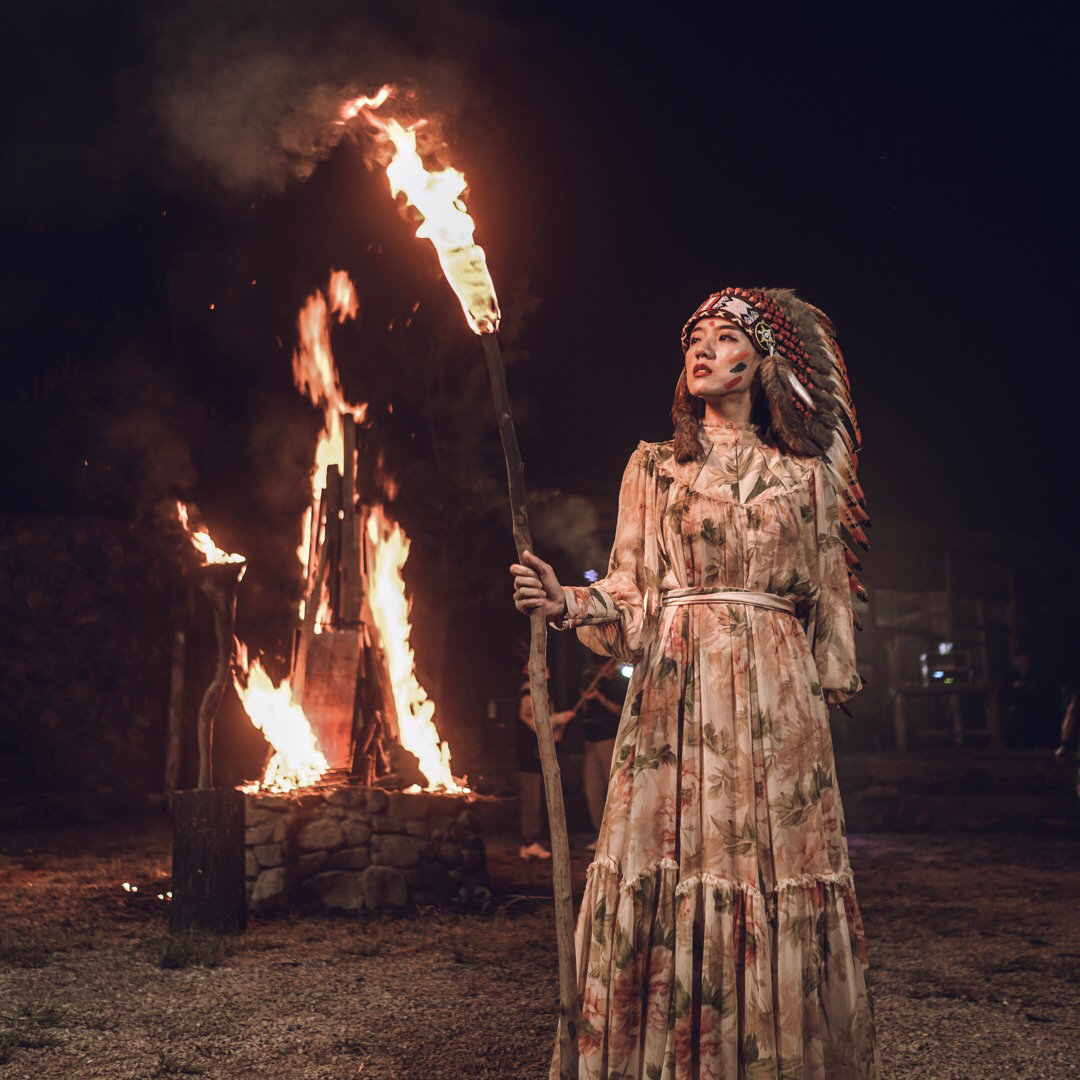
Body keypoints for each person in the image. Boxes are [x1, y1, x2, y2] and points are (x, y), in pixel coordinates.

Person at [511, 287, 877, 1077]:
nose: (703, 351)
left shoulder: (806, 481)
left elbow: (828, 596)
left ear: (762, 362)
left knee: (769, 866)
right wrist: (566, 601)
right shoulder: (654, 466)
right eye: (693, 341)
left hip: (777, 697)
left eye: (723, 337)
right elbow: (632, 586)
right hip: (680, 687)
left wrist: (823, 685)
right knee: (676, 865)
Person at [518, 664, 574, 859]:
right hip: (529, 753)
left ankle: (532, 840)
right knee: (531, 796)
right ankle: (529, 842)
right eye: (542, 668)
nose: (547, 671)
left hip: (537, 752)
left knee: (537, 796)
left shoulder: (540, 690)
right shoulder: (528, 691)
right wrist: (560, 719)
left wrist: (554, 731)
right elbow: (533, 720)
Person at [579, 656, 627, 848]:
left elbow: (621, 711)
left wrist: (601, 699)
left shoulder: (619, 685)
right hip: (592, 741)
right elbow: (585, 712)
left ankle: (617, 835)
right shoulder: (593, 682)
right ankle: (600, 834)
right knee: (593, 789)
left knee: (613, 788)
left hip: (610, 740)